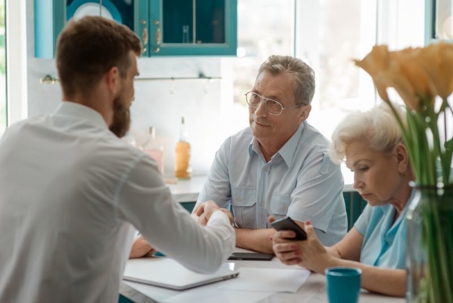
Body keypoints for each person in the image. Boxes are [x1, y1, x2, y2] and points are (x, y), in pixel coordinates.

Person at [0, 16, 235, 303]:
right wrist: (221, 217)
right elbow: (207, 257)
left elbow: (48, 240)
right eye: (133, 77)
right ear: (113, 78)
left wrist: (127, 247)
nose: (134, 94)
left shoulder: (14, 138)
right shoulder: (124, 163)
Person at [196, 55, 348, 253]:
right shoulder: (232, 148)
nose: (259, 112)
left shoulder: (321, 158)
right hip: (247, 273)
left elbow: (291, 241)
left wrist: (225, 231)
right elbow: (200, 219)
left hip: (310, 277)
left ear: (303, 113)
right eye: (256, 96)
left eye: (274, 103)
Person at [272, 103, 413, 297]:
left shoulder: (439, 199)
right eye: (353, 171)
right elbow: (339, 253)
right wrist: (303, 253)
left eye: (363, 168)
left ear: (400, 157)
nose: (356, 184)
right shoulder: (383, 200)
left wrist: (328, 264)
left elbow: (420, 282)